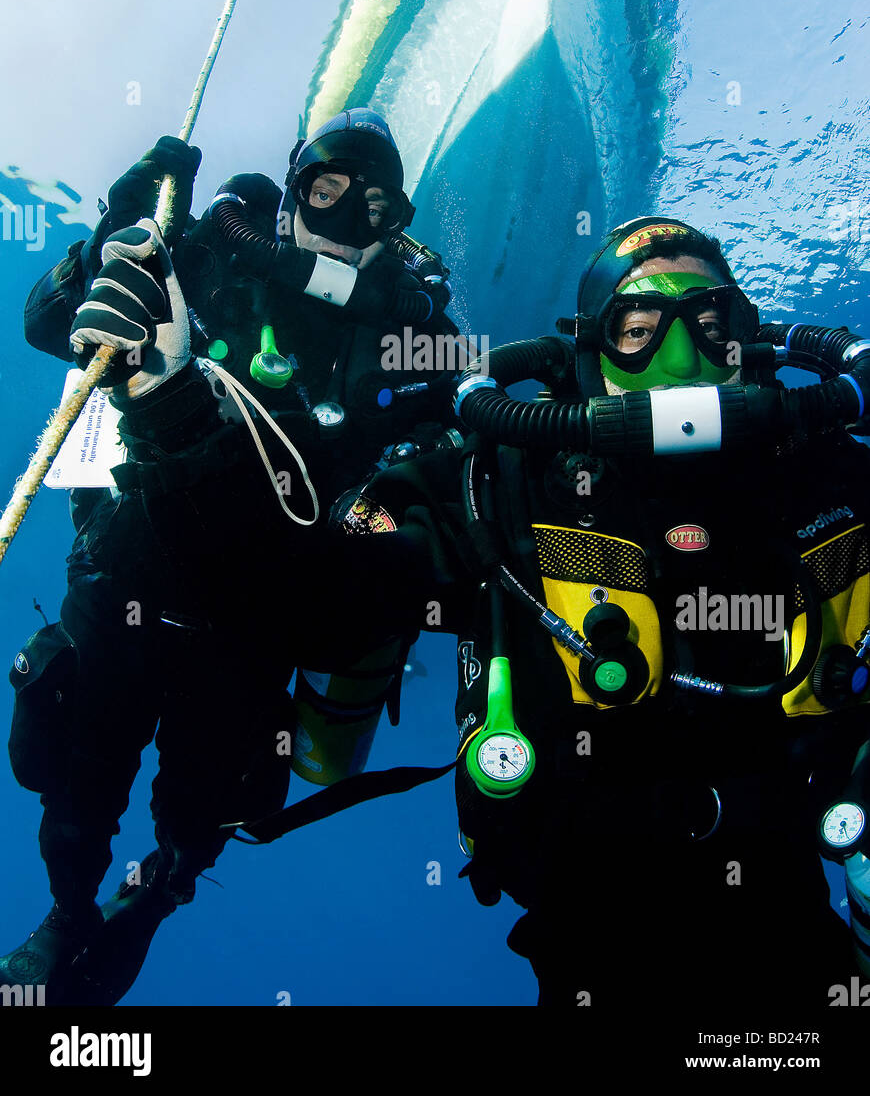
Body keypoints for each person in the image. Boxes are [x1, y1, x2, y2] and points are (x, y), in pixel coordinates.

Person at [334, 215, 870, 1018]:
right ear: (592, 351)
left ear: (747, 345)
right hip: (588, 934)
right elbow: (321, 600)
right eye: (640, 330)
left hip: (793, 909)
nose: (681, 359)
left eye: (712, 326)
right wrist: (180, 418)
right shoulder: (506, 486)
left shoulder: (823, 478)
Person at [1, 108, 461, 1004]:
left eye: (371, 203)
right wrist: (103, 240)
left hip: (254, 617)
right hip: (123, 569)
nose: (339, 215)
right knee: (81, 788)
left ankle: (161, 889)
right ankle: (65, 914)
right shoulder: (205, 249)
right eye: (323, 189)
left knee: (203, 800)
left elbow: (400, 547)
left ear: (394, 221)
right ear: (288, 191)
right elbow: (50, 325)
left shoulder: (411, 336)